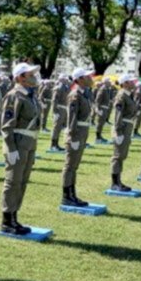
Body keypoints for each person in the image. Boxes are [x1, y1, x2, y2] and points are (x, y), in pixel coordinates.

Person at [0, 63, 42, 234]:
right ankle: (7, 220)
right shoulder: (14, 95)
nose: (33, 76)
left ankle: (15, 216)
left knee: (22, 181)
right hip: (17, 143)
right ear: (20, 77)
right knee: (12, 181)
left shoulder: (31, 95)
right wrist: (11, 148)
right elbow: (7, 125)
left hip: (28, 143)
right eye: (29, 74)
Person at [60, 68, 94, 207]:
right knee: (70, 166)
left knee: (74, 166)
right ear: (79, 79)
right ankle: (67, 196)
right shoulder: (75, 95)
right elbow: (72, 118)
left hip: (81, 132)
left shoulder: (84, 94)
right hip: (76, 133)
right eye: (86, 76)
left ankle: (72, 194)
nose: (90, 78)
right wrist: (73, 136)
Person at [109, 74, 139, 192]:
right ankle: (115, 183)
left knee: (122, 155)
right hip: (122, 127)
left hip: (127, 127)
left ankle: (118, 181)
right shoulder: (121, 96)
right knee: (117, 156)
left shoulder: (128, 95)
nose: (133, 83)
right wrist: (118, 131)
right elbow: (118, 115)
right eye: (131, 81)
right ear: (125, 83)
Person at [49, 75, 70, 150]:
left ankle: (56, 144)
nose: (66, 81)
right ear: (61, 80)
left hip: (64, 108)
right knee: (56, 127)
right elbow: (54, 100)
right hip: (59, 108)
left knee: (59, 127)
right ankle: (53, 145)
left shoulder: (66, 87)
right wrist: (55, 111)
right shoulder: (58, 88)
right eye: (65, 79)